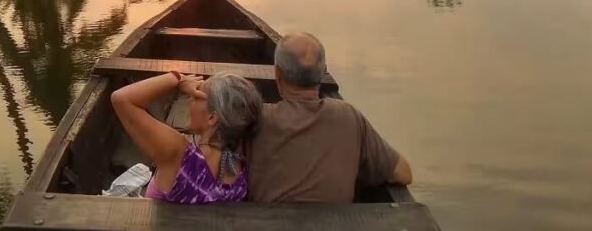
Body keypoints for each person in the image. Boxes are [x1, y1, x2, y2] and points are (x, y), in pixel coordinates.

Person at [248, 32, 413, 203]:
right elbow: (404, 173)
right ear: (323, 72)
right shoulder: (349, 117)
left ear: (277, 74)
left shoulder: (256, 119)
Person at [110, 71, 262, 204]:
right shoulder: (241, 169)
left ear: (211, 117)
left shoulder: (178, 154)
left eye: (196, 97)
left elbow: (121, 99)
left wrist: (177, 78)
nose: (189, 100)